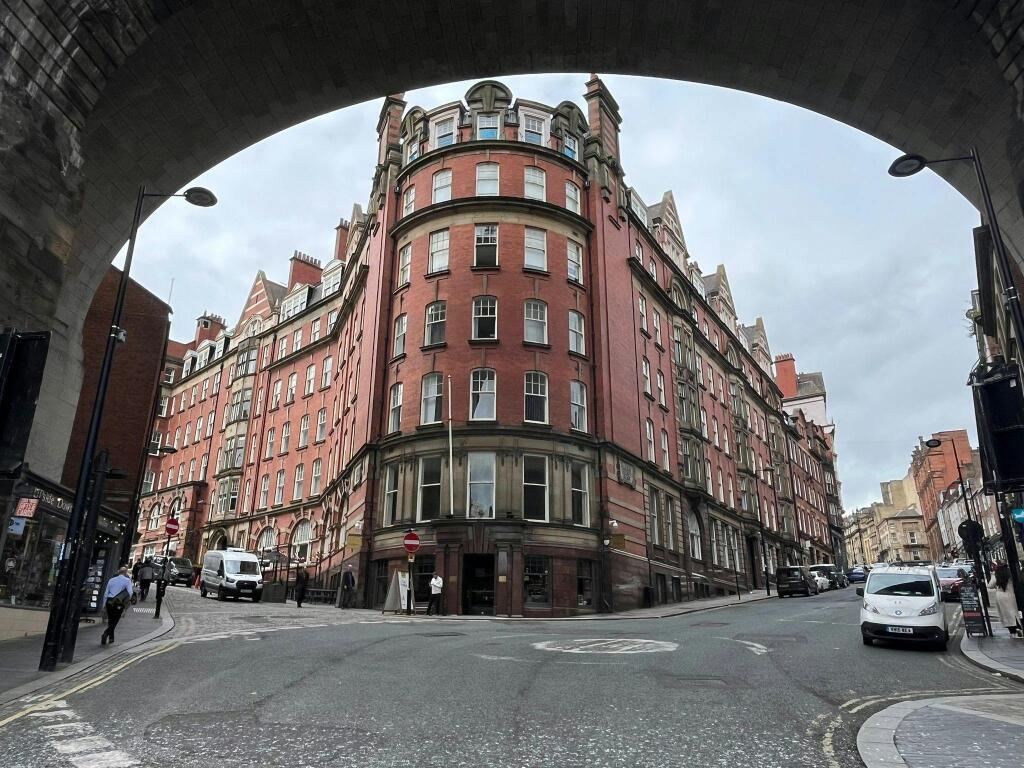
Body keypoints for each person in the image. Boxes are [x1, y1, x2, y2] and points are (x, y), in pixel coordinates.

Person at [101, 566, 133, 645]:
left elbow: (106, 593)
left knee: (111, 620)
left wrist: (104, 604)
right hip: (118, 603)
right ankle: (105, 634)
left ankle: (111, 638)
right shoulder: (127, 580)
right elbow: (130, 592)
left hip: (109, 601)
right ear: (125, 573)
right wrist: (127, 602)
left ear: (119, 572)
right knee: (115, 620)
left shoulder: (111, 580)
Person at [987, 563, 1021, 637]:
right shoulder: (1010, 574)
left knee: (1006, 615)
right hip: (1011, 595)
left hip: (1001, 596)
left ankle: (1013, 632)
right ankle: (1018, 627)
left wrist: (993, 575)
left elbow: (989, 586)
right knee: (1015, 612)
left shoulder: (997, 575)